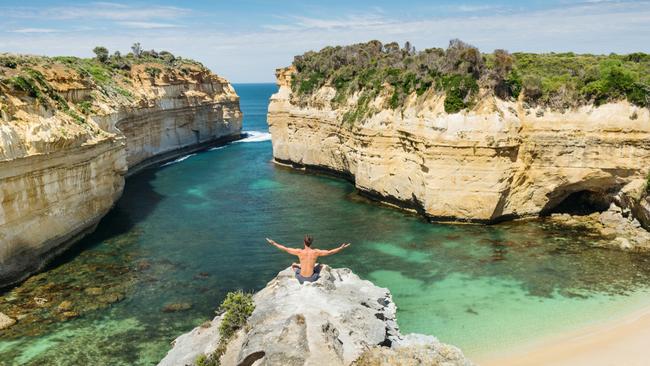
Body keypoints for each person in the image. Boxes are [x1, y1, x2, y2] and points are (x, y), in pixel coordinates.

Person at [266, 236, 351, 284]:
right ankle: (305, 268)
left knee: (293, 265)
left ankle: (299, 266)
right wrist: (341, 248)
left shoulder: (299, 251)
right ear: (311, 243)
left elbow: (285, 248)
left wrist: (273, 243)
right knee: (320, 265)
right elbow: (330, 252)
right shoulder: (316, 252)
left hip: (300, 278)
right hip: (312, 278)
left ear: (304, 242)